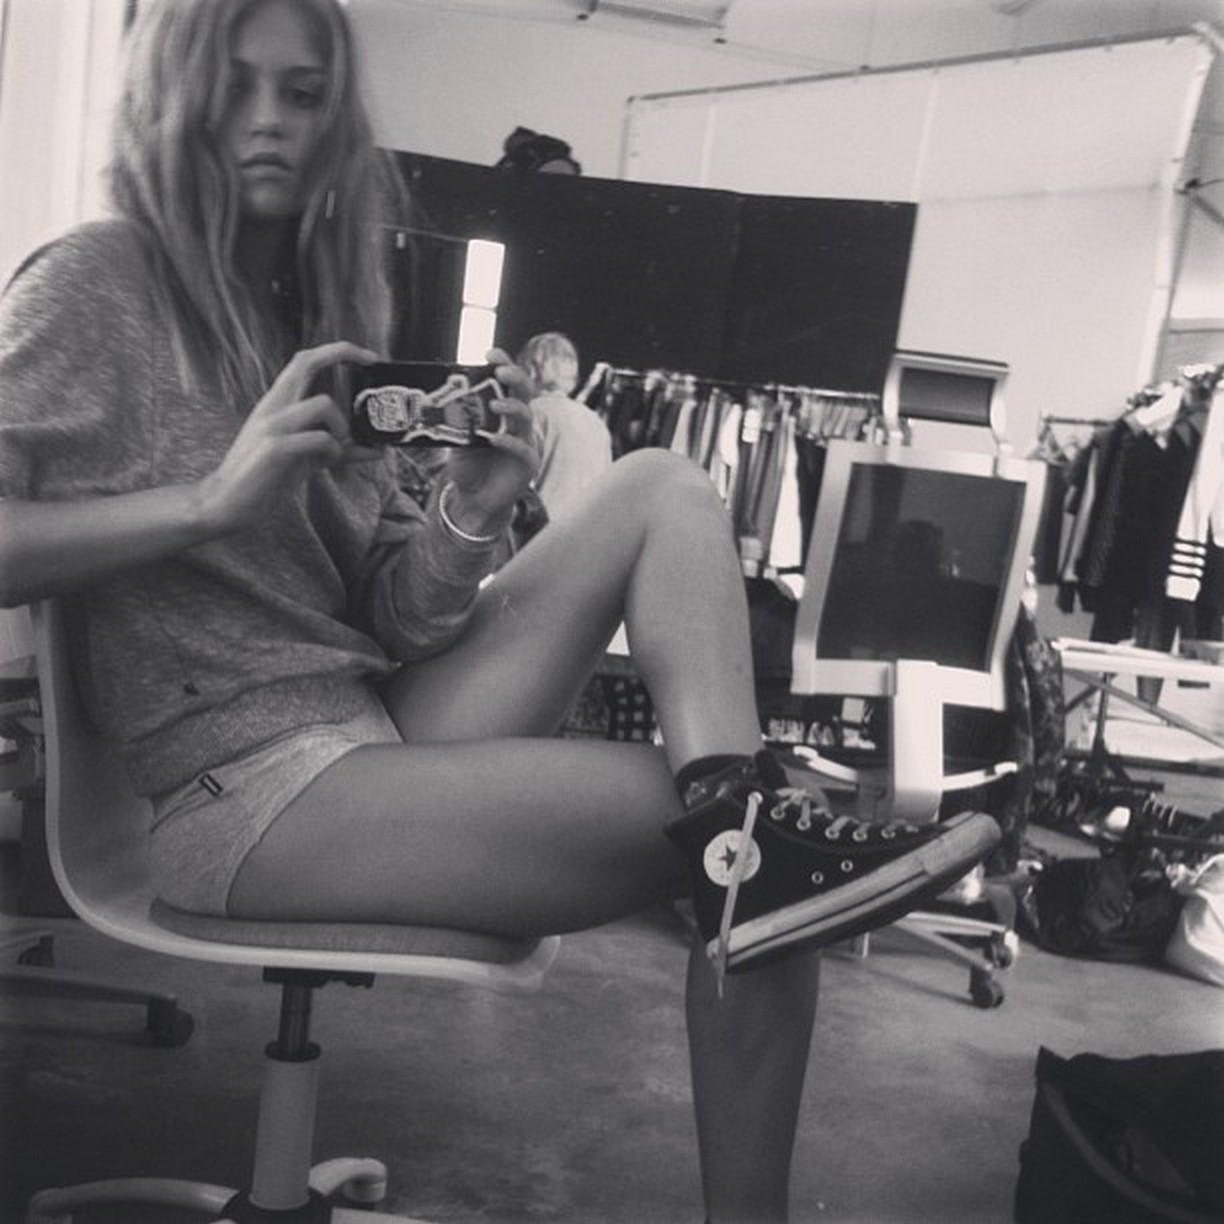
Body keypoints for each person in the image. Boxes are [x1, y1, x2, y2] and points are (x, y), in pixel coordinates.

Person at [0, 2, 999, 1220]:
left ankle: (751, 842)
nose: (267, 122)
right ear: (169, 101)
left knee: (662, 486)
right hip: (239, 790)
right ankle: (753, 854)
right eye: (232, 87)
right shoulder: (97, 283)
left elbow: (394, 620)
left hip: (368, 721)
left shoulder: (323, 322)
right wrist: (210, 501)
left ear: (336, 121)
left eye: (302, 94)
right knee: (734, 847)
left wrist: (474, 509)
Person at [516, 331, 613, 526]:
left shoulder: (532, 413)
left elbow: (516, 482)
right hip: (585, 532)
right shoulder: (595, 421)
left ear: (531, 370)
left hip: (540, 533)